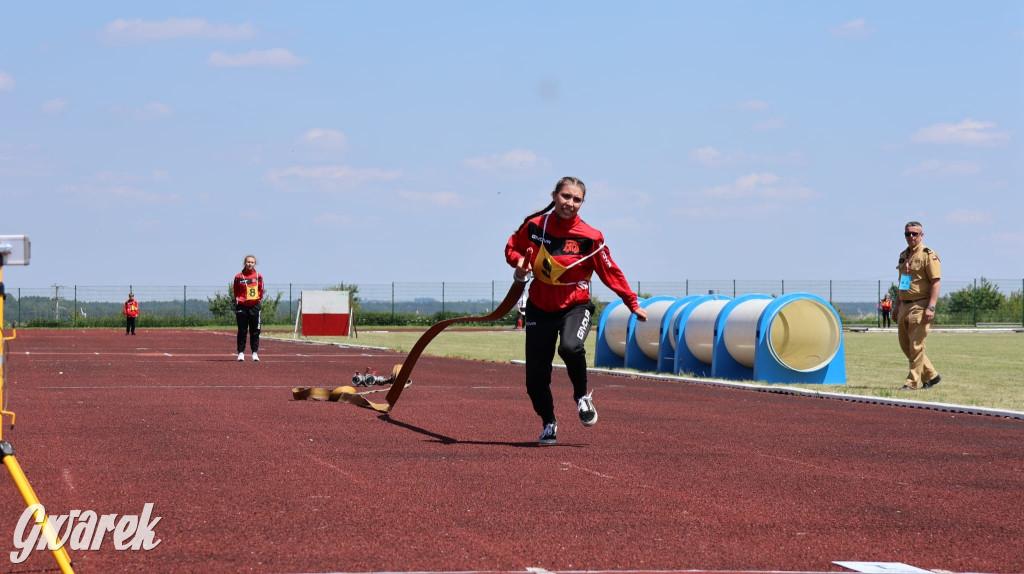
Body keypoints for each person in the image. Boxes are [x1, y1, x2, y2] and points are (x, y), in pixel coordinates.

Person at [505, 176, 648, 445]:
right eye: (565, 196)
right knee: (535, 380)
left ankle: (582, 397)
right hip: (539, 307)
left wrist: (632, 303)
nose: (570, 203)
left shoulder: (591, 237)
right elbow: (512, 248)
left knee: (570, 348)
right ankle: (549, 422)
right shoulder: (535, 226)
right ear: (554, 196)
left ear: (582, 203)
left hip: (575, 305)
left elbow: (610, 272)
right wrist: (521, 262)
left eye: (577, 199)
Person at [892, 221, 941, 390]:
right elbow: (902, 283)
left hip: (920, 305)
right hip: (904, 304)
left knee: (916, 345)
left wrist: (931, 307)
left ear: (922, 235)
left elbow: (935, 282)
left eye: (914, 233)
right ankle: (931, 375)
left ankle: (912, 382)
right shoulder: (903, 255)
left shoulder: (929, 255)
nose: (911, 237)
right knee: (906, 345)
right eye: (908, 234)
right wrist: (897, 306)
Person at [233, 254, 265, 362]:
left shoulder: (258, 276)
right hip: (242, 306)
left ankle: (254, 353)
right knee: (242, 330)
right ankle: (241, 353)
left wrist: (256, 301)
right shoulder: (238, 277)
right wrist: (240, 300)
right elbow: (236, 291)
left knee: (255, 330)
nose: (250, 264)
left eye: (252, 262)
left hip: (255, 306)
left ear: (255, 264)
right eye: (248, 262)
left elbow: (261, 290)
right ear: (244, 263)